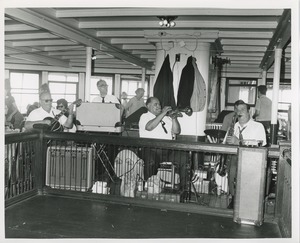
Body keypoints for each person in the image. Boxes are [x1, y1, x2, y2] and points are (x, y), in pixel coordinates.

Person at [225, 102, 266, 209]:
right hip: (236, 159)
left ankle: (245, 203)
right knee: (232, 169)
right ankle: (234, 199)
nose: (239, 112)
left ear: (249, 112)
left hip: (252, 161)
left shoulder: (258, 126)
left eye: (242, 109)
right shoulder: (235, 126)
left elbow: (260, 147)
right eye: (237, 110)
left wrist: (238, 142)